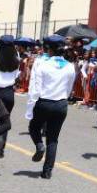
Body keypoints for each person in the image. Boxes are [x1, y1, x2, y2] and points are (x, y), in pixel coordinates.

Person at [25, 35, 76, 179]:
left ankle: (39, 145)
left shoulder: (42, 64)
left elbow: (35, 89)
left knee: (34, 127)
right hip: (61, 104)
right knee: (53, 139)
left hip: (44, 102)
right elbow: (69, 88)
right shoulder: (70, 66)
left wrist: (30, 108)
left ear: (49, 49)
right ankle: (47, 171)